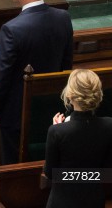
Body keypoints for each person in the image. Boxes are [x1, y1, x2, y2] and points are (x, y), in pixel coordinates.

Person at [0, 0, 73, 164]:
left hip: (17, 114)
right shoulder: (63, 18)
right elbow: (67, 65)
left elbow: (2, 75)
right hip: (51, 107)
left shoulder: (12, 29)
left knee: (15, 165)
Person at [43, 69, 112, 208]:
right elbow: (107, 172)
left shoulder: (57, 131)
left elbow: (50, 174)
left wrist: (59, 129)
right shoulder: (109, 125)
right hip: (93, 201)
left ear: (69, 94)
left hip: (62, 202)